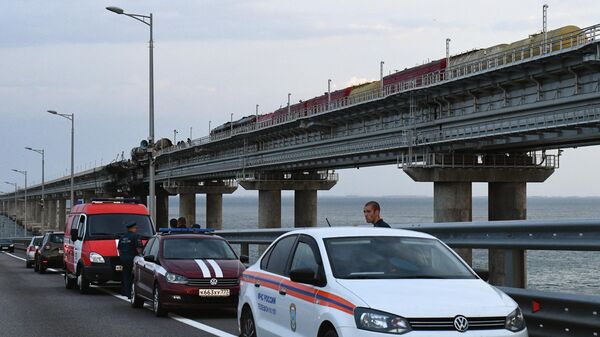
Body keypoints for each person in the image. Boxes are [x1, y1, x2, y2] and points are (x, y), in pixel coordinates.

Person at [118, 221, 143, 298]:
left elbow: (119, 249)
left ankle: (125, 292)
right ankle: (131, 294)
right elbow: (139, 249)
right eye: (135, 228)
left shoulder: (122, 237)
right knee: (134, 276)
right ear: (132, 228)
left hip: (123, 258)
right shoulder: (136, 236)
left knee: (125, 275)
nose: (136, 229)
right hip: (132, 258)